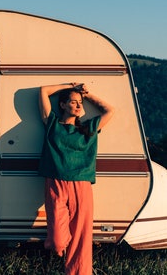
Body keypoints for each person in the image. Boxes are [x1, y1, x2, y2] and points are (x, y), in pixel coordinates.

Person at [39, 82, 114, 275]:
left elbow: (109, 110)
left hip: (82, 184)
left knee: (81, 237)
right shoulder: (52, 124)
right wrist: (69, 85)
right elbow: (44, 91)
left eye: (80, 102)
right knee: (57, 241)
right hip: (56, 183)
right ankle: (57, 248)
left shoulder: (89, 128)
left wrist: (86, 95)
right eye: (74, 102)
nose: (79, 105)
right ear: (62, 105)